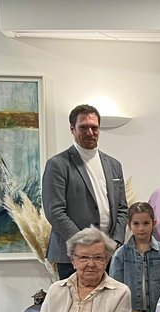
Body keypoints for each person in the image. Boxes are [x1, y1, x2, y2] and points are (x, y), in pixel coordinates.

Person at [42, 104, 128, 280]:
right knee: (76, 307)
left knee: (106, 306)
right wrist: (85, 246)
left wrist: (115, 243)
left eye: (94, 127)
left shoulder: (113, 165)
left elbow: (122, 208)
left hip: (108, 255)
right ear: (72, 129)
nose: (90, 132)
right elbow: (55, 212)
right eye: (83, 127)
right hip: (72, 257)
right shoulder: (58, 164)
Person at [109, 201, 160, 312]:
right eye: (136, 224)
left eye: (146, 223)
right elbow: (115, 289)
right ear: (129, 225)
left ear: (154, 223)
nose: (141, 228)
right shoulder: (121, 255)